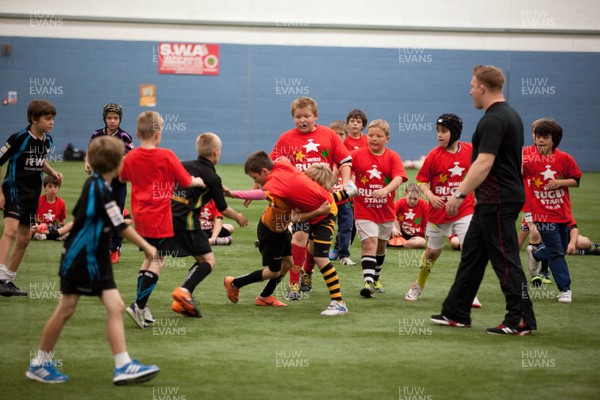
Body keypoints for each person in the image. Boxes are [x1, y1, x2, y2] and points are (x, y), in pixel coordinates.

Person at [26, 136, 160, 385]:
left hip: (94, 257)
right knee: (66, 309)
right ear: (114, 163)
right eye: (123, 158)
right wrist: (147, 246)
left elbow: (93, 220)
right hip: (83, 258)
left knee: (114, 306)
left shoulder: (98, 185)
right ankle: (40, 363)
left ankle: (123, 365)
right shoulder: (99, 188)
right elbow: (118, 225)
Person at [431, 65, 537, 335]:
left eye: (471, 85)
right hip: (491, 200)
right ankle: (456, 312)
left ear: (482, 88)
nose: (469, 91)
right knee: (473, 257)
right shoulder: (510, 115)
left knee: (506, 260)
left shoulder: (493, 119)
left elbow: (484, 162)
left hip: (498, 201)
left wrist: (460, 194)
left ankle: (520, 319)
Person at [226, 151, 350, 316]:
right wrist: (236, 193)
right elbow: (290, 214)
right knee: (275, 271)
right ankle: (235, 283)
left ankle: (265, 296)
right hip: (271, 231)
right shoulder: (285, 191)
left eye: (254, 178)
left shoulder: (285, 173)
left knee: (289, 263)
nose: (310, 186)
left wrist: (349, 192)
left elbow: (281, 160)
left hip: (282, 229)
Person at [119, 111, 205, 329]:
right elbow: (185, 181)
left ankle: (141, 306)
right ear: (158, 134)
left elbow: (122, 177)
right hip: (159, 216)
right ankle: (138, 305)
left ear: (138, 133)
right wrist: (198, 181)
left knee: (150, 257)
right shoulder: (166, 155)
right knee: (159, 259)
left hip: (140, 216)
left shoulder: (131, 157)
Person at [269, 97, 353, 301]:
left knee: (315, 249)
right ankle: (294, 284)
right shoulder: (286, 139)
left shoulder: (329, 135)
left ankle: (307, 273)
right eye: (298, 116)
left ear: (316, 116)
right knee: (299, 238)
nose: (302, 120)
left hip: (323, 202)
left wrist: (347, 183)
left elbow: (344, 161)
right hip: (299, 202)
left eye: (307, 116)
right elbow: (273, 166)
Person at [403, 114, 480, 308]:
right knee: (432, 253)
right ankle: (419, 284)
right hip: (438, 213)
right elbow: (420, 181)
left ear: (454, 133)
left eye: (443, 131)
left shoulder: (471, 151)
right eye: (437, 131)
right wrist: (430, 196)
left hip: (464, 209)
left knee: (469, 249)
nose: (439, 135)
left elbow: (480, 172)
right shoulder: (434, 155)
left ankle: (470, 293)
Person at [169, 132, 248, 318]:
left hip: (169, 216)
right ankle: (183, 292)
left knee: (199, 260)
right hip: (187, 220)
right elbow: (223, 208)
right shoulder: (212, 176)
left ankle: (182, 299)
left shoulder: (184, 165)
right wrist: (238, 217)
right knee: (209, 261)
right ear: (216, 152)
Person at [0, 99, 63, 297]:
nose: (51, 122)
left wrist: (53, 171)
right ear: (34, 119)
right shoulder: (19, 138)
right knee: (10, 232)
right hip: (14, 191)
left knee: (25, 237)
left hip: (32, 195)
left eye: (53, 118)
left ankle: (8, 280)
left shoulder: (47, 141)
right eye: (47, 118)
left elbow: (40, 161)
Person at [522, 119, 581, 303]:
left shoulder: (564, 158)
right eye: (538, 136)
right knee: (557, 252)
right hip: (542, 214)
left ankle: (536, 253)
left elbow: (576, 180)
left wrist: (560, 183)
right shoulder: (528, 158)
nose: (540, 140)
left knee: (560, 248)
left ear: (554, 139)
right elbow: (517, 173)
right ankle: (565, 289)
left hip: (562, 213)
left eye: (545, 137)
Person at [351, 119, 407, 298]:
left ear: (387, 138)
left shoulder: (392, 156)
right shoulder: (357, 155)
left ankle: (376, 277)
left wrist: (386, 189)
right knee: (369, 243)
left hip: (385, 212)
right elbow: (343, 167)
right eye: (371, 135)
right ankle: (367, 282)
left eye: (379, 136)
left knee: (381, 246)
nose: (374, 139)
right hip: (363, 209)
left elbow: (399, 178)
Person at [85, 103, 134, 264]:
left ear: (120, 119)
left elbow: (129, 157)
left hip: (118, 182)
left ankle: (114, 248)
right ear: (104, 118)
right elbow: (90, 149)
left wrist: (113, 164)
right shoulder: (97, 134)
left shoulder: (124, 136)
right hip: (101, 182)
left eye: (116, 118)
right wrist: (88, 162)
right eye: (109, 118)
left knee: (117, 216)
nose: (112, 121)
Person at [327, 120, 356, 267]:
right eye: (335, 133)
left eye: (341, 134)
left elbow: (354, 174)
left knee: (346, 227)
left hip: (345, 200)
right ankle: (321, 252)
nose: (338, 136)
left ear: (347, 136)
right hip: (328, 200)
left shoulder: (349, 156)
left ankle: (343, 255)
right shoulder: (325, 154)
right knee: (325, 227)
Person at [31, 175, 73, 241]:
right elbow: (32, 217)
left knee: (72, 224)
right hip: (40, 227)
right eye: (50, 186)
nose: (53, 189)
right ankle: (56, 236)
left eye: (55, 187)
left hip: (55, 228)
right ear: (45, 188)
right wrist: (36, 226)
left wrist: (62, 228)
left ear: (58, 188)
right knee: (29, 228)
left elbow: (61, 220)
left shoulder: (61, 202)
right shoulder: (38, 201)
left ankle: (48, 236)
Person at [389, 182, 427, 249]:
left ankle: (396, 244)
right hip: (399, 233)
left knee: (422, 242)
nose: (412, 201)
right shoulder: (400, 202)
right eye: (410, 198)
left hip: (415, 235)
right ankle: (397, 241)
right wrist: (394, 228)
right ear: (405, 194)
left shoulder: (424, 205)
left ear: (419, 196)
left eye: (415, 199)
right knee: (393, 219)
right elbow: (389, 216)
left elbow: (427, 225)